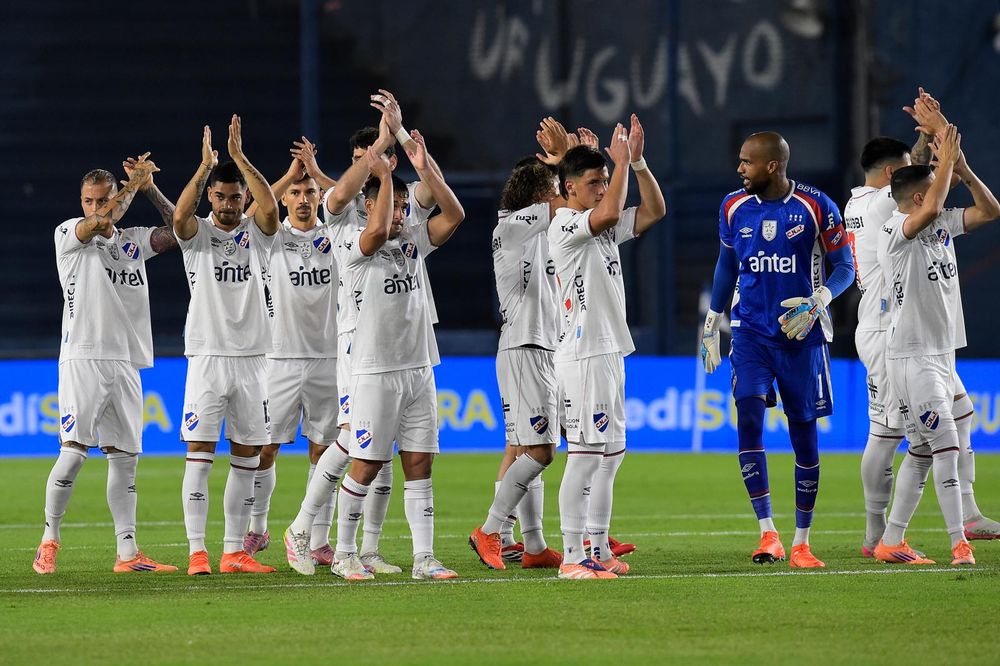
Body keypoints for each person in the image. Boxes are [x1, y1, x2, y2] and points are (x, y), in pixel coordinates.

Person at [287, 128, 464, 580]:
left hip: (418, 365)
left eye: (405, 205)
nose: (401, 212)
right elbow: (378, 228)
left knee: (418, 461)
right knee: (362, 456)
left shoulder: (413, 238)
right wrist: (383, 175)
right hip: (369, 364)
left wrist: (422, 167)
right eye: (394, 204)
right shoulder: (349, 236)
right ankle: (333, 545)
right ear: (368, 203)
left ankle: (422, 558)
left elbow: (455, 214)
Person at [846, 90, 1000, 557]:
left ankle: (966, 515)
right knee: (891, 434)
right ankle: (878, 534)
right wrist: (942, 138)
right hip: (891, 332)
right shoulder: (882, 208)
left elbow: (928, 185)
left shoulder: (873, 200)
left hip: (925, 335)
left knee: (960, 417)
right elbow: (927, 194)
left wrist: (941, 139)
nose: (927, 171)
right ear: (893, 179)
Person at [701, 132, 854, 568]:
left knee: (803, 433)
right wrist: (713, 320)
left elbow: (846, 266)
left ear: (772, 166)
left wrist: (820, 300)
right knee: (748, 415)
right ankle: (768, 533)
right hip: (750, 332)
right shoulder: (733, 206)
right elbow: (727, 263)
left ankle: (802, 541)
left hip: (801, 335)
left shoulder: (816, 206)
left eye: (746, 162)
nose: (739, 169)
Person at [35, 155, 179, 574]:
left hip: (126, 360)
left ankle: (128, 553)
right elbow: (97, 224)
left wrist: (149, 188)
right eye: (89, 200)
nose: (96, 208)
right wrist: (130, 187)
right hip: (84, 356)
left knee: (125, 459)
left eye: (102, 199)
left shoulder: (132, 241)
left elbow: (182, 231)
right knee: (73, 454)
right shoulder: (69, 234)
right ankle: (49, 539)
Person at [548, 115, 666, 579]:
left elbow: (654, 210)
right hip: (583, 355)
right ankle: (571, 557)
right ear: (570, 188)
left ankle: (598, 549)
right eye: (593, 183)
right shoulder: (565, 225)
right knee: (584, 457)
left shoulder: (598, 225)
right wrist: (617, 164)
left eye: (603, 182)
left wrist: (636, 163)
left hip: (609, 350)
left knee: (611, 456)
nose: (601, 189)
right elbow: (612, 213)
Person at [173, 117, 280, 575]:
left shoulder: (257, 234)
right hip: (208, 357)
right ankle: (197, 551)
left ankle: (234, 550)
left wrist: (239, 158)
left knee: (247, 458)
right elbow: (178, 218)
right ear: (211, 198)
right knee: (199, 455)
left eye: (236, 197)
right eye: (220, 197)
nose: (229, 204)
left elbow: (270, 208)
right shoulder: (197, 236)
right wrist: (204, 169)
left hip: (253, 360)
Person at [468, 118, 572, 571]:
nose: (559, 194)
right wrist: (566, 160)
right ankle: (490, 530)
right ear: (537, 195)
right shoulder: (512, 225)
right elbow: (566, 203)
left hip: (538, 347)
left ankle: (532, 545)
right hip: (526, 348)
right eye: (553, 188)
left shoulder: (539, 233)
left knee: (522, 445)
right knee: (541, 450)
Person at [240, 146, 341, 567]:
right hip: (278, 359)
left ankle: (318, 539)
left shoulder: (335, 235)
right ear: (283, 199)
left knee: (325, 450)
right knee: (266, 448)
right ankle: (258, 528)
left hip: (328, 359)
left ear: (320, 197)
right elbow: (247, 216)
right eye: (295, 193)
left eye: (310, 191)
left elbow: (356, 205)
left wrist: (319, 173)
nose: (303, 199)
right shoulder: (272, 238)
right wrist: (286, 175)